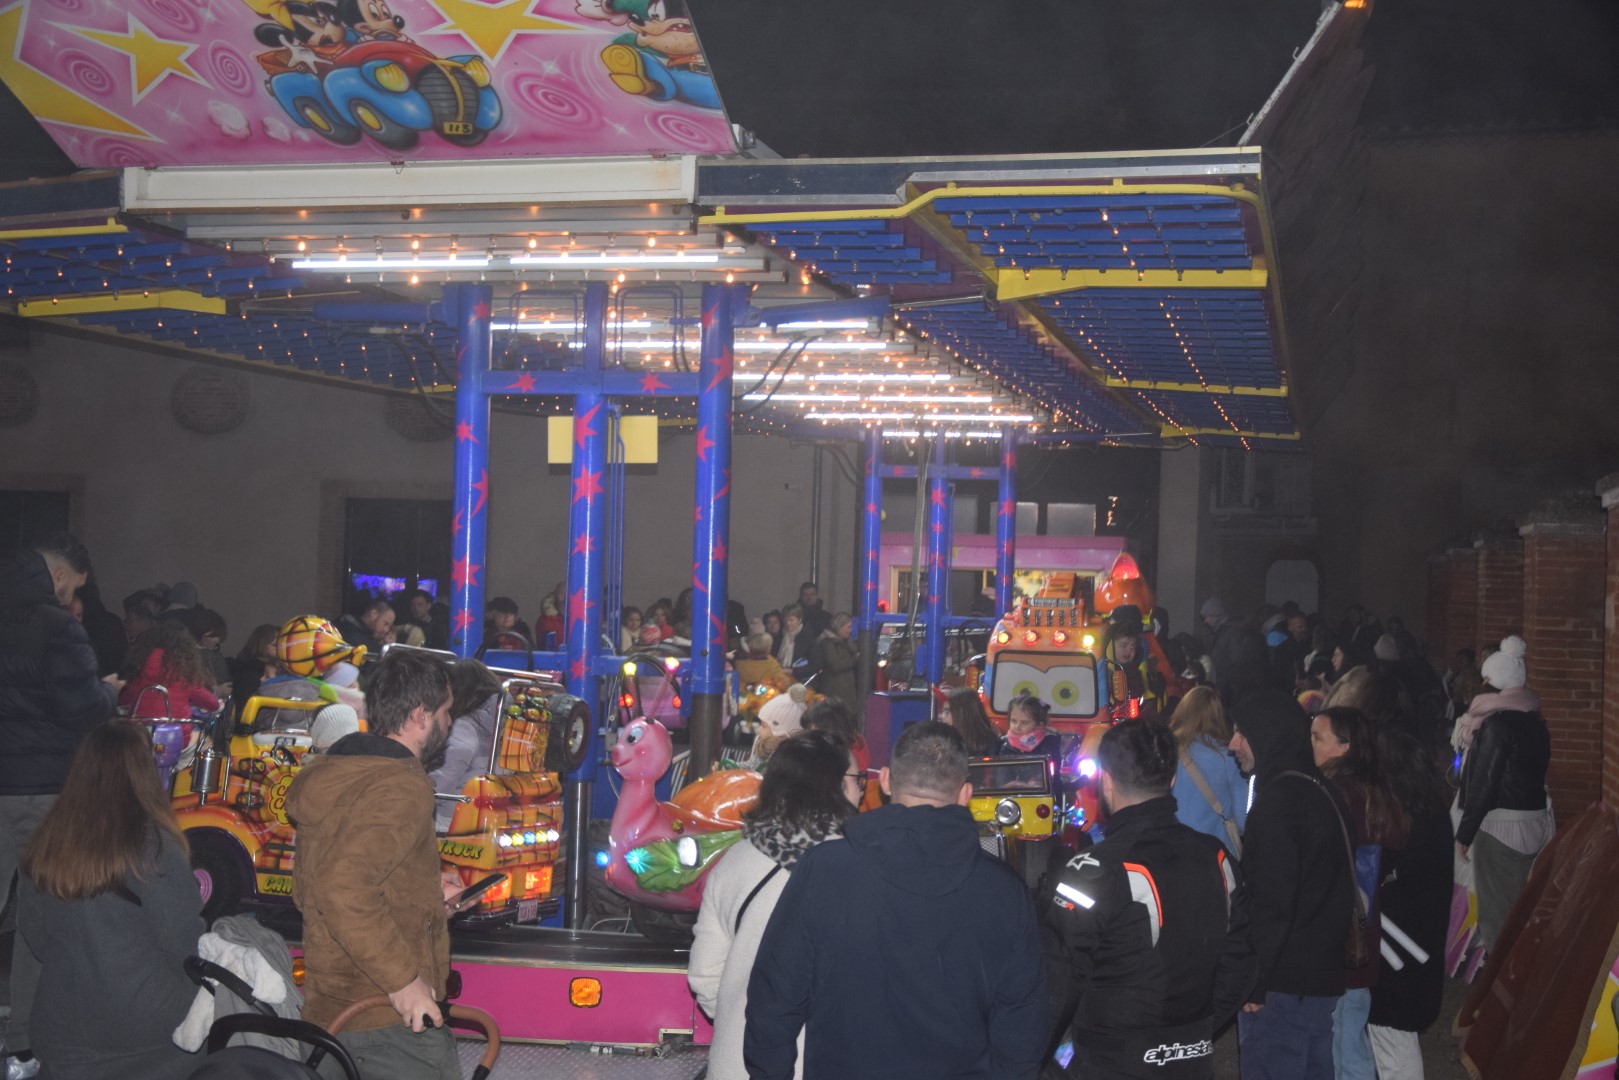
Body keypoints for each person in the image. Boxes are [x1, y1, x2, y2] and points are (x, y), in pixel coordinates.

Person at [744, 722, 1047, 1079]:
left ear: (885, 780)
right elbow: (1022, 1029)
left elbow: (774, 1000)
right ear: (966, 793)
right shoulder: (1004, 891)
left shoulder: (824, 870)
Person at [1043, 719, 1255, 1078]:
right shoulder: (1217, 857)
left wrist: (1032, 1057)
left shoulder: (1092, 869)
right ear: (1171, 779)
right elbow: (1241, 962)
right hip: (1191, 1060)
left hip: (1108, 1060)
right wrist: (1189, 1035)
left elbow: (1059, 979)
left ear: (1105, 780)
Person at [285, 649, 458, 1079]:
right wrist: (405, 983)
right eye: (446, 711)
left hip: (330, 1013)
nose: (450, 722)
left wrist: (427, 898)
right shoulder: (400, 786)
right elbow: (341, 887)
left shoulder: (341, 775)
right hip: (385, 1024)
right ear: (420, 715)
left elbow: (314, 889)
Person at [17, 720, 204, 1080]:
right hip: (143, 1029)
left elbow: (35, 936)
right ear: (144, 774)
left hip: (61, 1022)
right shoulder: (153, 845)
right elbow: (186, 948)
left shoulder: (46, 841)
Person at [0, 533, 118, 1077]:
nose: (71, 599)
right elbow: (82, 710)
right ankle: (23, 1045)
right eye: (71, 588)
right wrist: (108, 691)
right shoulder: (55, 627)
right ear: (57, 575)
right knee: (40, 916)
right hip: (41, 790)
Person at [689, 730, 862, 1080]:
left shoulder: (734, 860)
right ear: (837, 785)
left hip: (741, 1062)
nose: (861, 791)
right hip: (829, 1061)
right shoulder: (860, 866)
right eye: (858, 780)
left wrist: (741, 1019)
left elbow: (705, 975)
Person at [1228, 688, 1354, 1080]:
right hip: (1320, 978)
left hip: (1283, 985)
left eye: (1242, 733)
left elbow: (1272, 901)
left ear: (1268, 733)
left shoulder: (1278, 800)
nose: (1233, 744)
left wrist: (1254, 980)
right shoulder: (1322, 788)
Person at [1309, 706, 1407, 1080]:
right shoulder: (1375, 791)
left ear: (1345, 746)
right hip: (1361, 934)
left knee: (1343, 1044)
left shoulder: (1336, 793)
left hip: (1340, 937)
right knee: (1349, 1033)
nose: (1310, 743)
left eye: (1318, 737)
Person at [1453, 634, 1551, 953]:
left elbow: (1485, 782)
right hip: (1534, 821)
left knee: (1498, 916)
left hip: (1500, 827)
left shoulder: (1497, 725)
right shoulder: (1534, 719)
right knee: (1520, 908)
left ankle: (1501, 978)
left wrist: (1465, 832)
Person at [1367, 730, 1452, 1080]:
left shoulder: (1404, 822)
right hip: (1416, 952)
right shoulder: (1432, 812)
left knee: (1394, 1049)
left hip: (1398, 957)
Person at [1168, 685, 1249, 856]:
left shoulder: (1166, 752)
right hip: (1218, 856)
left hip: (1176, 853)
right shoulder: (1230, 757)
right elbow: (1242, 820)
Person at [428, 660, 503, 830]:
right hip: (490, 816)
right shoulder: (503, 719)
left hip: (452, 819)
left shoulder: (466, 726)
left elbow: (443, 780)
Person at [119, 622, 223, 719]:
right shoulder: (184, 675)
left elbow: (125, 699)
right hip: (175, 729)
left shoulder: (141, 671)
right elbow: (208, 700)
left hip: (140, 728)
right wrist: (218, 705)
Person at [228, 624, 281, 719]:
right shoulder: (247, 671)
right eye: (274, 645)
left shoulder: (285, 668)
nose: (280, 649)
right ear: (262, 645)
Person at [998, 691, 1061, 764]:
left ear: (1039, 724)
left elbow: (1054, 766)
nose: (1017, 726)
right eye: (1014, 721)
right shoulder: (1004, 743)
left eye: (1025, 723)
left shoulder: (1049, 742)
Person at [940, 686, 999, 758]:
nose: (942, 716)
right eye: (943, 712)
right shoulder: (944, 739)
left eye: (946, 712)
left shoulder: (990, 744)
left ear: (962, 714)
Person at [815, 613, 858, 711]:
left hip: (845, 690)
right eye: (848, 627)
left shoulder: (845, 643)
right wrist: (854, 660)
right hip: (834, 690)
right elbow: (835, 665)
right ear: (840, 627)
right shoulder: (827, 643)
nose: (850, 630)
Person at [775, 604, 820, 685]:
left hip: (802, 683)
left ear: (799, 619)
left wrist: (793, 671)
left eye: (791, 620)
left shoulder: (808, 639)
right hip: (780, 681)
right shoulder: (780, 637)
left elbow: (816, 665)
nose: (788, 623)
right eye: (785, 620)